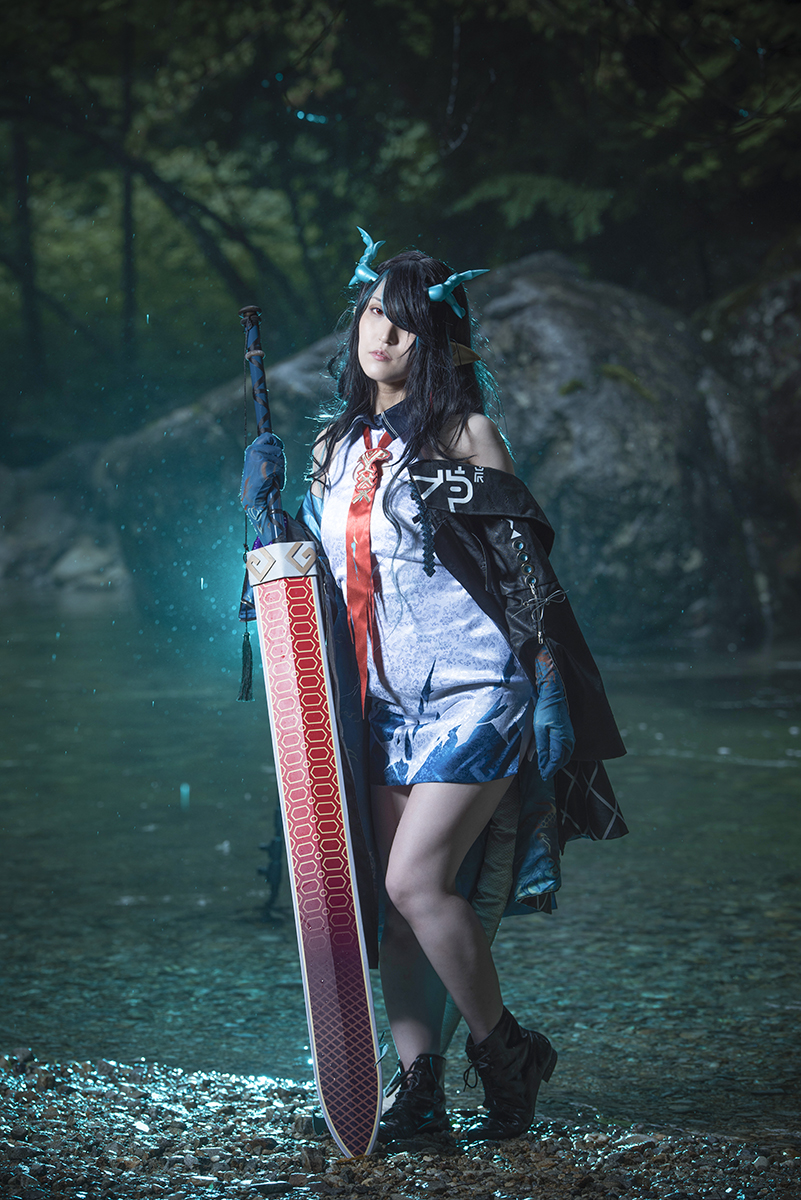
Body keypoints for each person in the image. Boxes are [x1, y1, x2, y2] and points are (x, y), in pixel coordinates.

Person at [242, 230, 627, 1144]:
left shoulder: (467, 437)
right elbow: (314, 589)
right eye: (376, 313)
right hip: (380, 704)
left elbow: (526, 578)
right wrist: (266, 516)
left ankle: (507, 1052)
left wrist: (547, 685)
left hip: (476, 691)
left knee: (417, 880)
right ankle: (420, 1087)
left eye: (408, 323)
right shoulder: (333, 447)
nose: (385, 335)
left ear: (439, 342)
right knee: (394, 907)